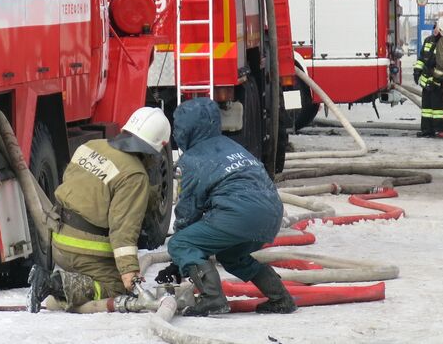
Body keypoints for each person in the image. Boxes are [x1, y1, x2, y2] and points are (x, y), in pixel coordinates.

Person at [156, 97, 296, 316]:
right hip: (273, 214)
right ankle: (281, 298)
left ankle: (212, 298)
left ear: (185, 130)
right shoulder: (234, 146)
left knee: (180, 243)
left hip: (239, 215)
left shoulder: (193, 159)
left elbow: (187, 211)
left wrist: (181, 258)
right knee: (232, 255)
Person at [26, 106, 171, 313]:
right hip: (85, 251)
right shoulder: (135, 176)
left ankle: (60, 284)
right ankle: (55, 284)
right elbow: (123, 231)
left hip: (58, 242)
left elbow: (84, 187)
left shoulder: (91, 145)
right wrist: (130, 274)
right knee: (116, 288)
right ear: (155, 149)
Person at [413, 24, 443, 137]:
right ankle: (426, 130)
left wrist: (437, 80)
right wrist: (417, 70)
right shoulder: (428, 40)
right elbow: (421, 58)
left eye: (438, 28)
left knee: (437, 109)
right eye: (435, 27)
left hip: (437, 80)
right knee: (426, 107)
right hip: (426, 79)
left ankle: (439, 129)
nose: (435, 30)